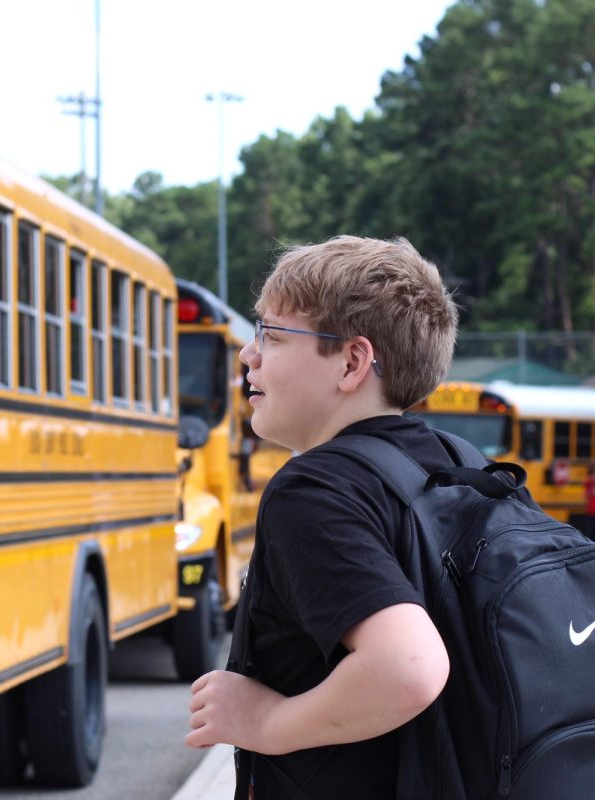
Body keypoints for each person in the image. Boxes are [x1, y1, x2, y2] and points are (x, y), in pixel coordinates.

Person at [185, 235, 458, 798]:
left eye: (274, 336)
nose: (248, 355)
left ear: (353, 362)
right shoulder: (463, 466)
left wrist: (266, 724)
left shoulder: (313, 492)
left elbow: (409, 666)